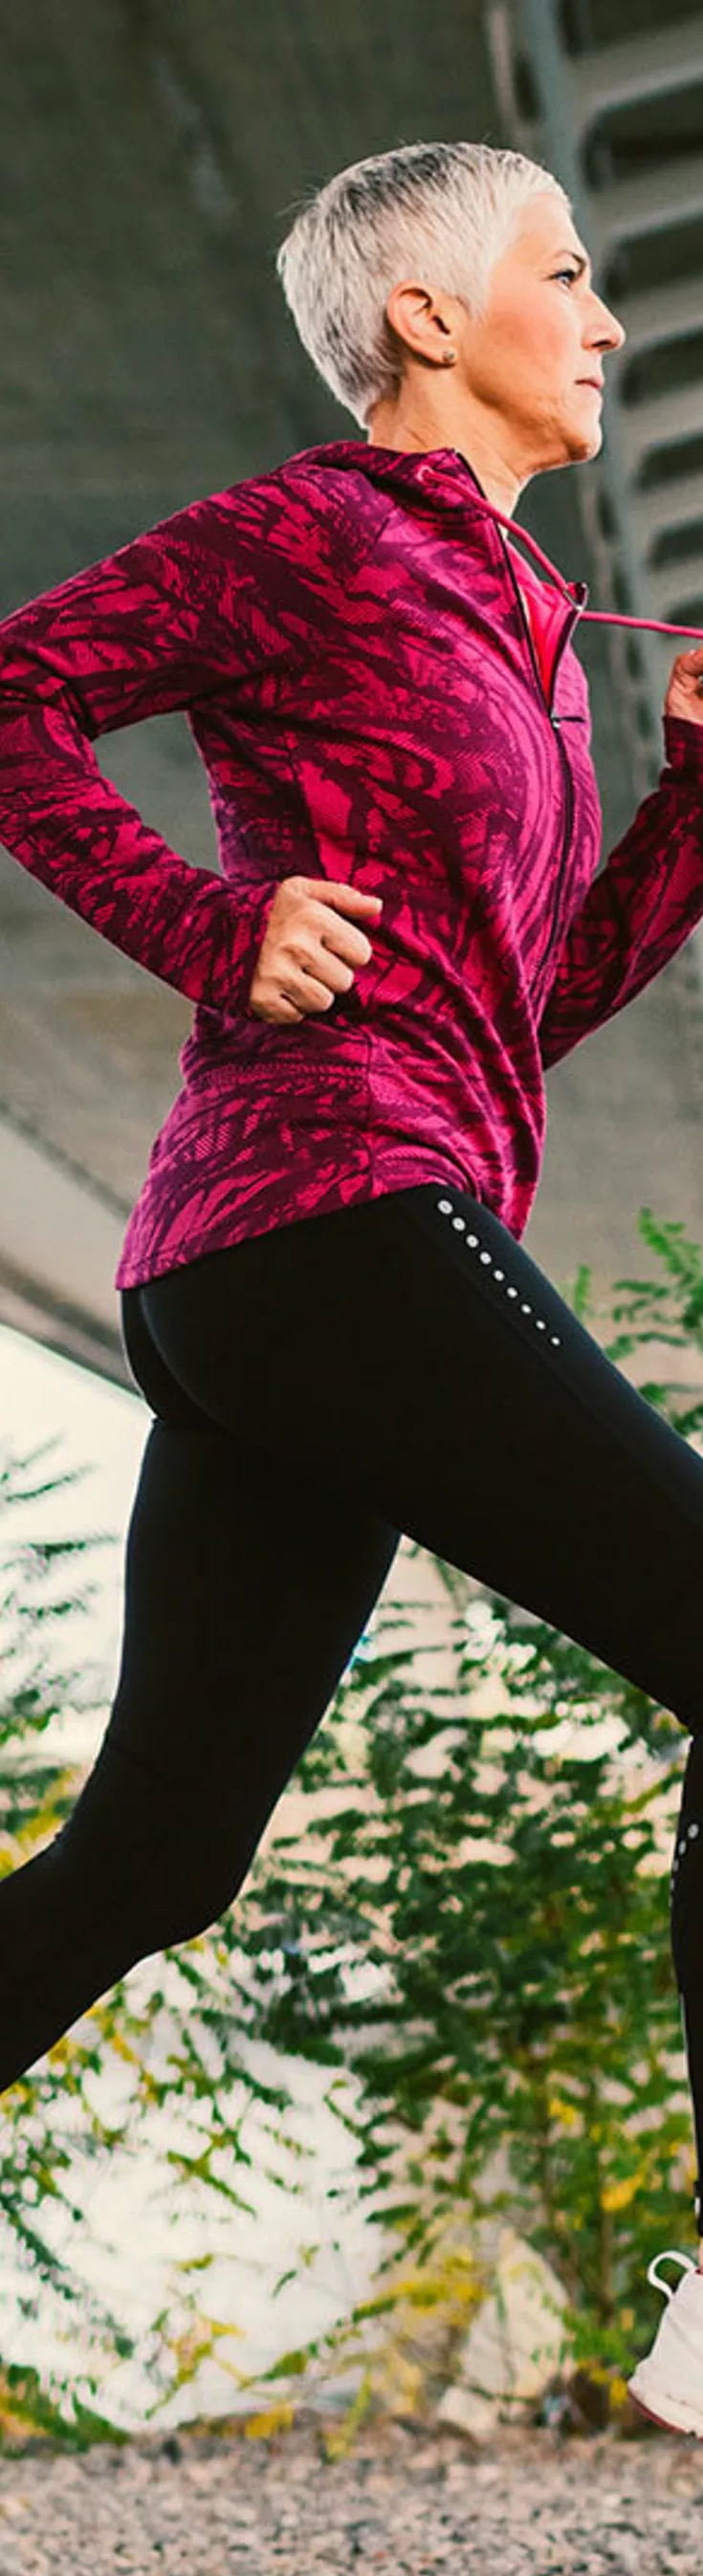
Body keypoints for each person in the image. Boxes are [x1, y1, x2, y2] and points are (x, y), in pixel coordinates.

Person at [0, 138, 702, 2435]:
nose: (606, 319)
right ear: (428, 319)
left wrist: (691, 801)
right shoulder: (310, 535)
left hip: (296, 1260)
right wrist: (215, 925)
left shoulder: (527, 629)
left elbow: (534, 1004)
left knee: (157, 1859)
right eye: (570, 270)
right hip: (328, 1217)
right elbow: (14, 691)